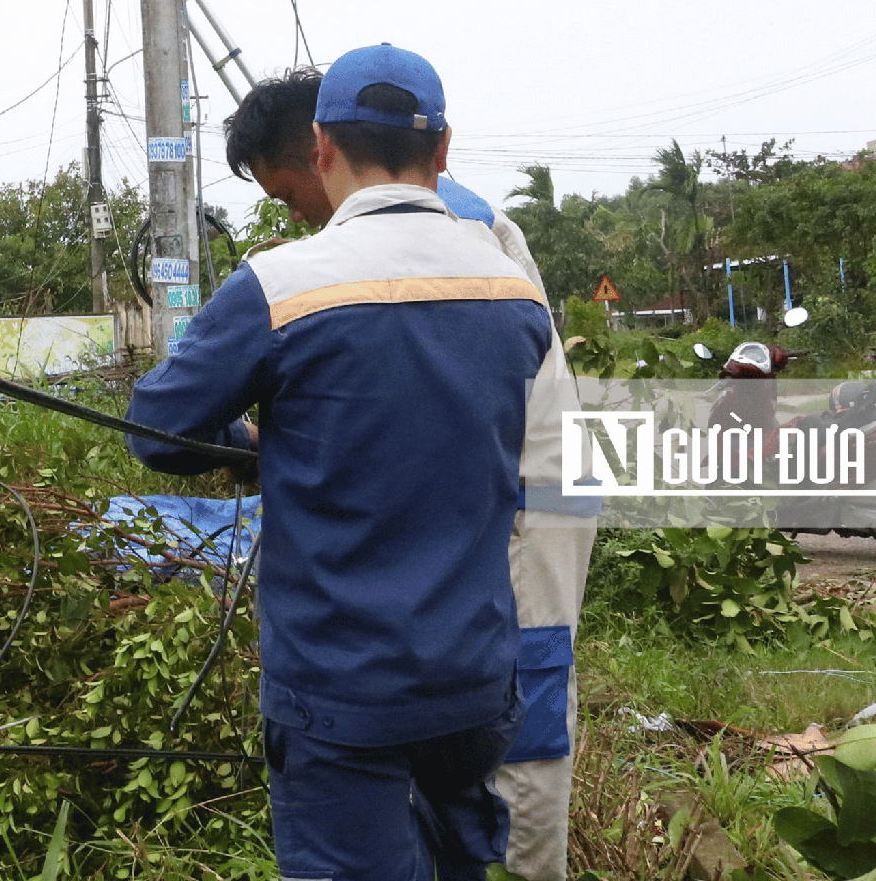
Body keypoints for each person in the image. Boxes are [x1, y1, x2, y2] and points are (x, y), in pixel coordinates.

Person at [128, 45, 554, 880]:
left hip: (342, 690)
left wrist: (256, 444)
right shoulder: (515, 289)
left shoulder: (282, 285)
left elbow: (158, 428)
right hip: (476, 679)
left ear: (321, 148)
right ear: (442, 150)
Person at [220, 64, 597, 881]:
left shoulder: (444, 234)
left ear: (326, 155)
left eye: (290, 198)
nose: (294, 220)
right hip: (489, 489)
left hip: (526, 501)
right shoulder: (410, 232)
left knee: (521, 719)